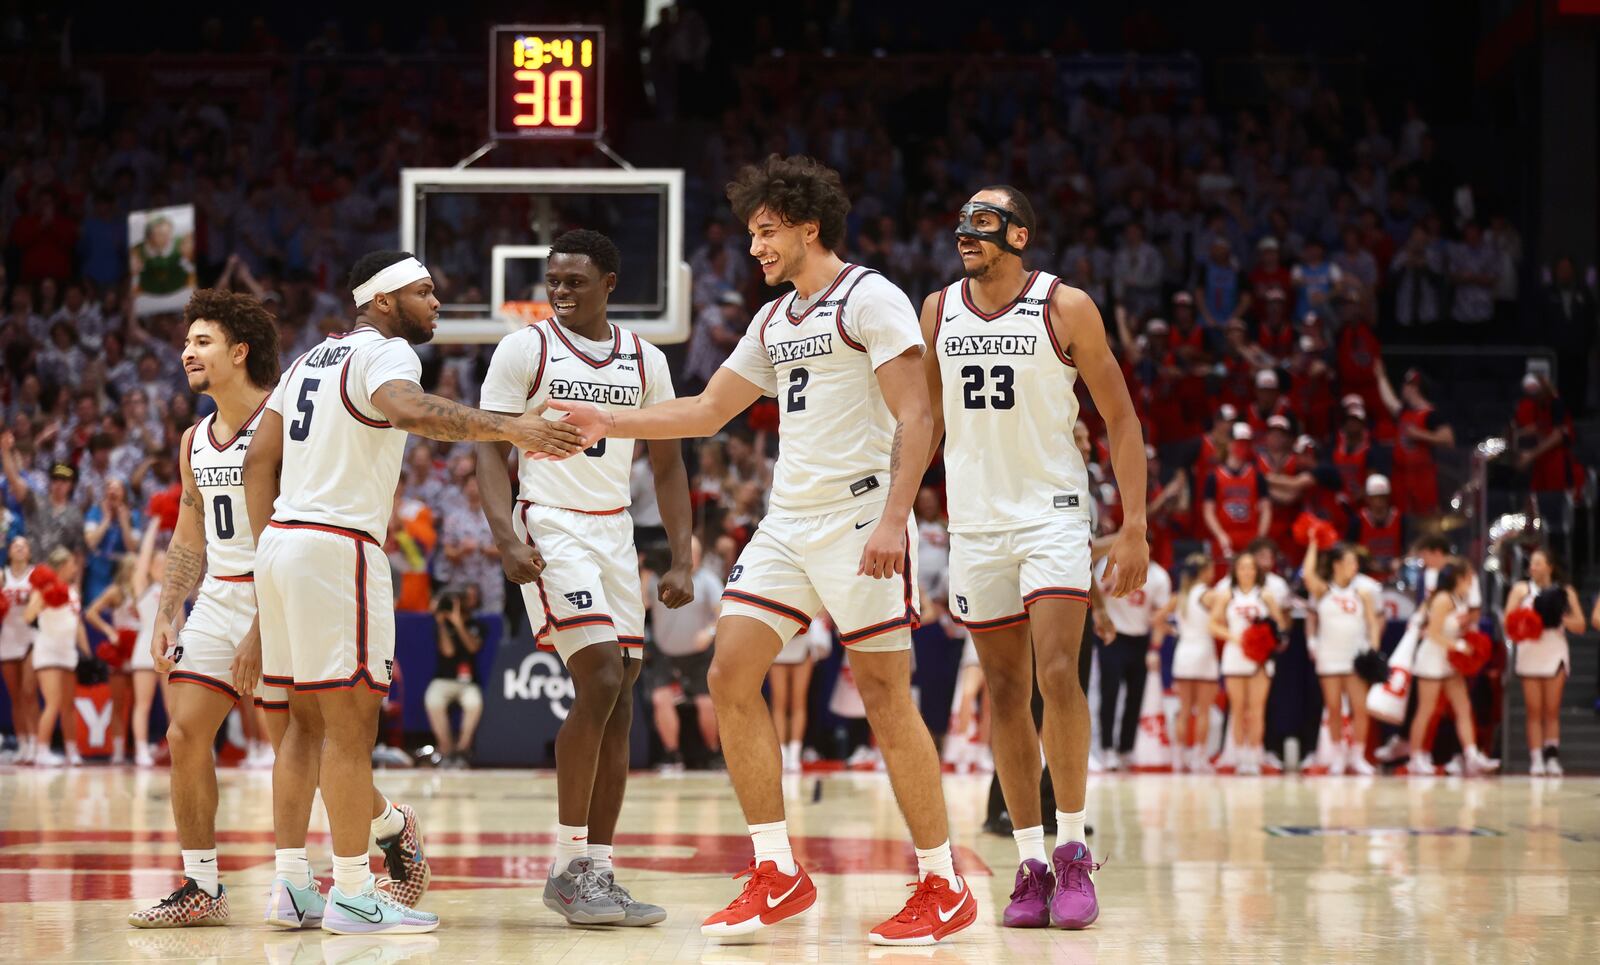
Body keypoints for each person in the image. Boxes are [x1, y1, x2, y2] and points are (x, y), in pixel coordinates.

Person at [549, 156, 975, 946]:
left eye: (767, 232)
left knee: (885, 695)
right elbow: (709, 407)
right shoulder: (776, 319)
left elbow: (920, 417)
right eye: (751, 235)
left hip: (859, 519)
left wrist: (895, 517)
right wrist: (612, 423)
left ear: (809, 225)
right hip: (787, 523)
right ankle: (777, 868)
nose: (756, 249)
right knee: (729, 671)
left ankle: (944, 881)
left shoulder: (871, 297)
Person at [241, 256, 578, 936]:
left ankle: (291, 885)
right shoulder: (386, 352)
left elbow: (256, 460)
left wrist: (266, 549)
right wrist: (509, 426)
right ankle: (356, 891)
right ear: (383, 300)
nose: (436, 303)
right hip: (336, 544)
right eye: (424, 291)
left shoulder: (308, 359)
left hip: (279, 542)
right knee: (348, 729)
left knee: (302, 727)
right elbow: (407, 409)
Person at [921, 185, 1148, 930]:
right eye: (960, 223)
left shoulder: (1066, 305)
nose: (965, 234)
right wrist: (893, 512)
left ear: (1020, 234)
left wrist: (1136, 523)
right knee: (1006, 691)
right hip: (976, 522)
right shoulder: (938, 310)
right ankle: (1026, 859)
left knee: (1058, 672)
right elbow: (923, 421)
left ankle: (1073, 849)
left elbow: (1119, 416)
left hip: (1051, 513)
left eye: (982, 224)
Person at [477, 230, 692, 928]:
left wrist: (682, 555)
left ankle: (599, 867)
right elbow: (489, 444)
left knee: (624, 693)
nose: (560, 291)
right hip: (551, 520)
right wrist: (506, 536)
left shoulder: (644, 359)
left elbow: (667, 463)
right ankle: (568, 866)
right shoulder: (525, 348)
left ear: (610, 284)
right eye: (553, 281)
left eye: (575, 281)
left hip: (613, 529)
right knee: (600, 675)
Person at [1408, 559, 1499, 776]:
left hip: (1450, 660)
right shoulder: (1442, 599)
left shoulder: (1459, 599)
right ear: (1458, 578)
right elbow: (1432, 632)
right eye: (1468, 577)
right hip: (1432, 658)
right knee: (1426, 709)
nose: (1471, 582)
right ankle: (1415, 757)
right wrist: (1459, 646)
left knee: (1463, 707)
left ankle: (1472, 755)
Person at [1302, 541, 1381, 776]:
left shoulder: (1363, 592)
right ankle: (1337, 755)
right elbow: (1307, 574)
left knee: (1360, 707)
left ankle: (1357, 756)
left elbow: (1372, 623)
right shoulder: (1323, 590)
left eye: (1355, 562)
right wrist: (1314, 544)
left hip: (1355, 657)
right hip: (1329, 655)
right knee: (1334, 707)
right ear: (1336, 565)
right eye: (1349, 562)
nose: (1354, 566)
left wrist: (1373, 649)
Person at [1503, 548, 1585, 775]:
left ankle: (1551, 757)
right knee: (1533, 709)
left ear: (1550, 566)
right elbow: (1507, 621)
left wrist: (1560, 616)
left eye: (1538, 563)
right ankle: (1536, 758)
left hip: (1554, 651)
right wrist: (1528, 621)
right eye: (1532, 563)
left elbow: (1580, 625)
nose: (1533, 567)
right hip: (1530, 650)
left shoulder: (1565, 591)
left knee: (1551, 709)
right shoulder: (1521, 589)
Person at [649, 538, 725, 772]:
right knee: (661, 699)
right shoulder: (657, 578)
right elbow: (642, 604)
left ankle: (713, 753)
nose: (691, 557)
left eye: (695, 552)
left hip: (699, 655)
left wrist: (710, 632)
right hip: (665, 653)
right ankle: (672, 756)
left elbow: (723, 611)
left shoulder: (707, 580)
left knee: (706, 703)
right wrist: (643, 573)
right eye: (686, 551)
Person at [1209, 552, 1286, 776]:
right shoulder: (1227, 595)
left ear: (1256, 571)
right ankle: (1240, 757)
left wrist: (1264, 638)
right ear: (1235, 570)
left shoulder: (1266, 595)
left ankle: (1254, 756)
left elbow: (1278, 625)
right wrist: (1237, 637)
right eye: (1242, 567)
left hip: (1260, 659)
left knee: (1256, 709)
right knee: (1238, 708)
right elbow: (1213, 625)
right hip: (1235, 654)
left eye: (1251, 567)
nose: (1247, 571)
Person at [1093, 550, 1170, 772]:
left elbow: (1159, 616)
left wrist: (1154, 648)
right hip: (1112, 637)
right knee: (1110, 693)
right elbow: (1094, 596)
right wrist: (1108, 586)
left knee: (1135, 696)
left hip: (1140, 639)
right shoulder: (1110, 566)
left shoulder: (1159, 576)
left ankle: (1126, 749)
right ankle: (1107, 748)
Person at [25, 546, 90, 767]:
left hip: (67, 651)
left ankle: (72, 751)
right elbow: (28, 616)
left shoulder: (73, 590)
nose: (75, 568)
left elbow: (78, 623)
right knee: (52, 702)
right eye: (72, 564)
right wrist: (43, 595)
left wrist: (87, 652)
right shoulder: (43, 588)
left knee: (68, 704)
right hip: (48, 650)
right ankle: (41, 751)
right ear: (62, 565)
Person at [1375, 364, 1454, 516]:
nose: (1402, 388)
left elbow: (1448, 439)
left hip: (1423, 478)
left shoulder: (1431, 415)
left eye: (1406, 385)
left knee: (1424, 520)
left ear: (1414, 387)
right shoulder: (1406, 413)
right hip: (1402, 477)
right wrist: (1381, 377)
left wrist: (1419, 435)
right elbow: (1390, 402)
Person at [1168, 553, 1219, 773]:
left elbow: (1157, 619)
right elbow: (1219, 621)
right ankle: (1199, 757)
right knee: (1203, 710)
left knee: (1185, 709)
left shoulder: (1179, 596)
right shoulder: (1210, 595)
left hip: (1184, 651)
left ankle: (1178, 758)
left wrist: (1174, 631)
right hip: (1204, 650)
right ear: (1204, 571)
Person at [424, 586, 485, 768]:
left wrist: (459, 623)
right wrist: (442, 623)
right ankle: (447, 750)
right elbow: (448, 651)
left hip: (468, 683)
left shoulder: (477, 625)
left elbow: (473, 647)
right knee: (433, 699)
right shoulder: (442, 625)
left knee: (474, 703)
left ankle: (462, 750)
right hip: (443, 679)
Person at [769, 613, 831, 773]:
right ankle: (782, 754)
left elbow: (823, 609)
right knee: (779, 702)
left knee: (798, 701)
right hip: (779, 637)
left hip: (803, 638)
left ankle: (795, 755)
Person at [1202, 423, 1270, 561]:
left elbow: (1266, 509)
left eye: (1246, 443)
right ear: (1229, 444)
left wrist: (1260, 538)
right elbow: (1208, 511)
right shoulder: (1214, 476)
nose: (1243, 447)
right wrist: (1220, 535)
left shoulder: (1257, 475)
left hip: (1251, 537)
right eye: (1239, 443)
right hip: (1225, 537)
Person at [0, 536, 40, 763]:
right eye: (15, 545)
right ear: (9, 552)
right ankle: (23, 744)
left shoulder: (36, 575)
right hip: (7, 639)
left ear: (29, 552)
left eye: (24, 545)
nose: (19, 548)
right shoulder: (2, 575)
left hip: (30, 640)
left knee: (28, 692)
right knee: (15, 696)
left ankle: (35, 742)